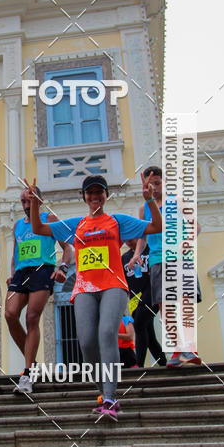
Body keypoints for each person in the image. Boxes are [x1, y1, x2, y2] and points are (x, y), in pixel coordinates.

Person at [26, 172, 161, 421]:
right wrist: (35, 201)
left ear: (106, 195)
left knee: (106, 333)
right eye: (90, 192)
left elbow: (156, 227)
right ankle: (104, 392)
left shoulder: (116, 221)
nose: (95, 196)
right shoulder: (76, 224)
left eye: (99, 192)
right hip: (84, 287)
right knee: (87, 343)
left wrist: (150, 200)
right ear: (85, 197)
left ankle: (110, 397)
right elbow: (38, 227)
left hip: (113, 285)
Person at [5, 186, 73, 395]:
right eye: (23, 201)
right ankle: (32, 362)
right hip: (21, 273)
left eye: (30, 200)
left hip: (43, 270)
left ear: (40, 200)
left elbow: (68, 247)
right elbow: (16, 252)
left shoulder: (49, 219)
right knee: (10, 314)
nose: (26, 205)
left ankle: (27, 374)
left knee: (32, 318)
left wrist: (62, 267)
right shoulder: (18, 225)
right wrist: (13, 272)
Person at [133, 166, 201, 367]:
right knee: (165, 306)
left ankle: (190, 347)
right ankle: (177, 349)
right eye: (149, 184)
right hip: (157, 260)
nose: (154, 187)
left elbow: (195, 226)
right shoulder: (143, 209)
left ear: (164, 182)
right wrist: (136, 254)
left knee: (185, 302)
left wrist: (186, 242)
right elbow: (142, 237)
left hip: (180, 258)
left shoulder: (177, 201)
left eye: (157, 183)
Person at [122, 240, 166, 367]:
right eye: (126, 240)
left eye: (132, 239)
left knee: (139, 323)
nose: (129, 242)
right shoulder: (124, 258)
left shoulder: (150, 251)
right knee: (149, 334)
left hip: (152, 292)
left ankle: (138, 364)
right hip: (135, 299)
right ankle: (162, 363)